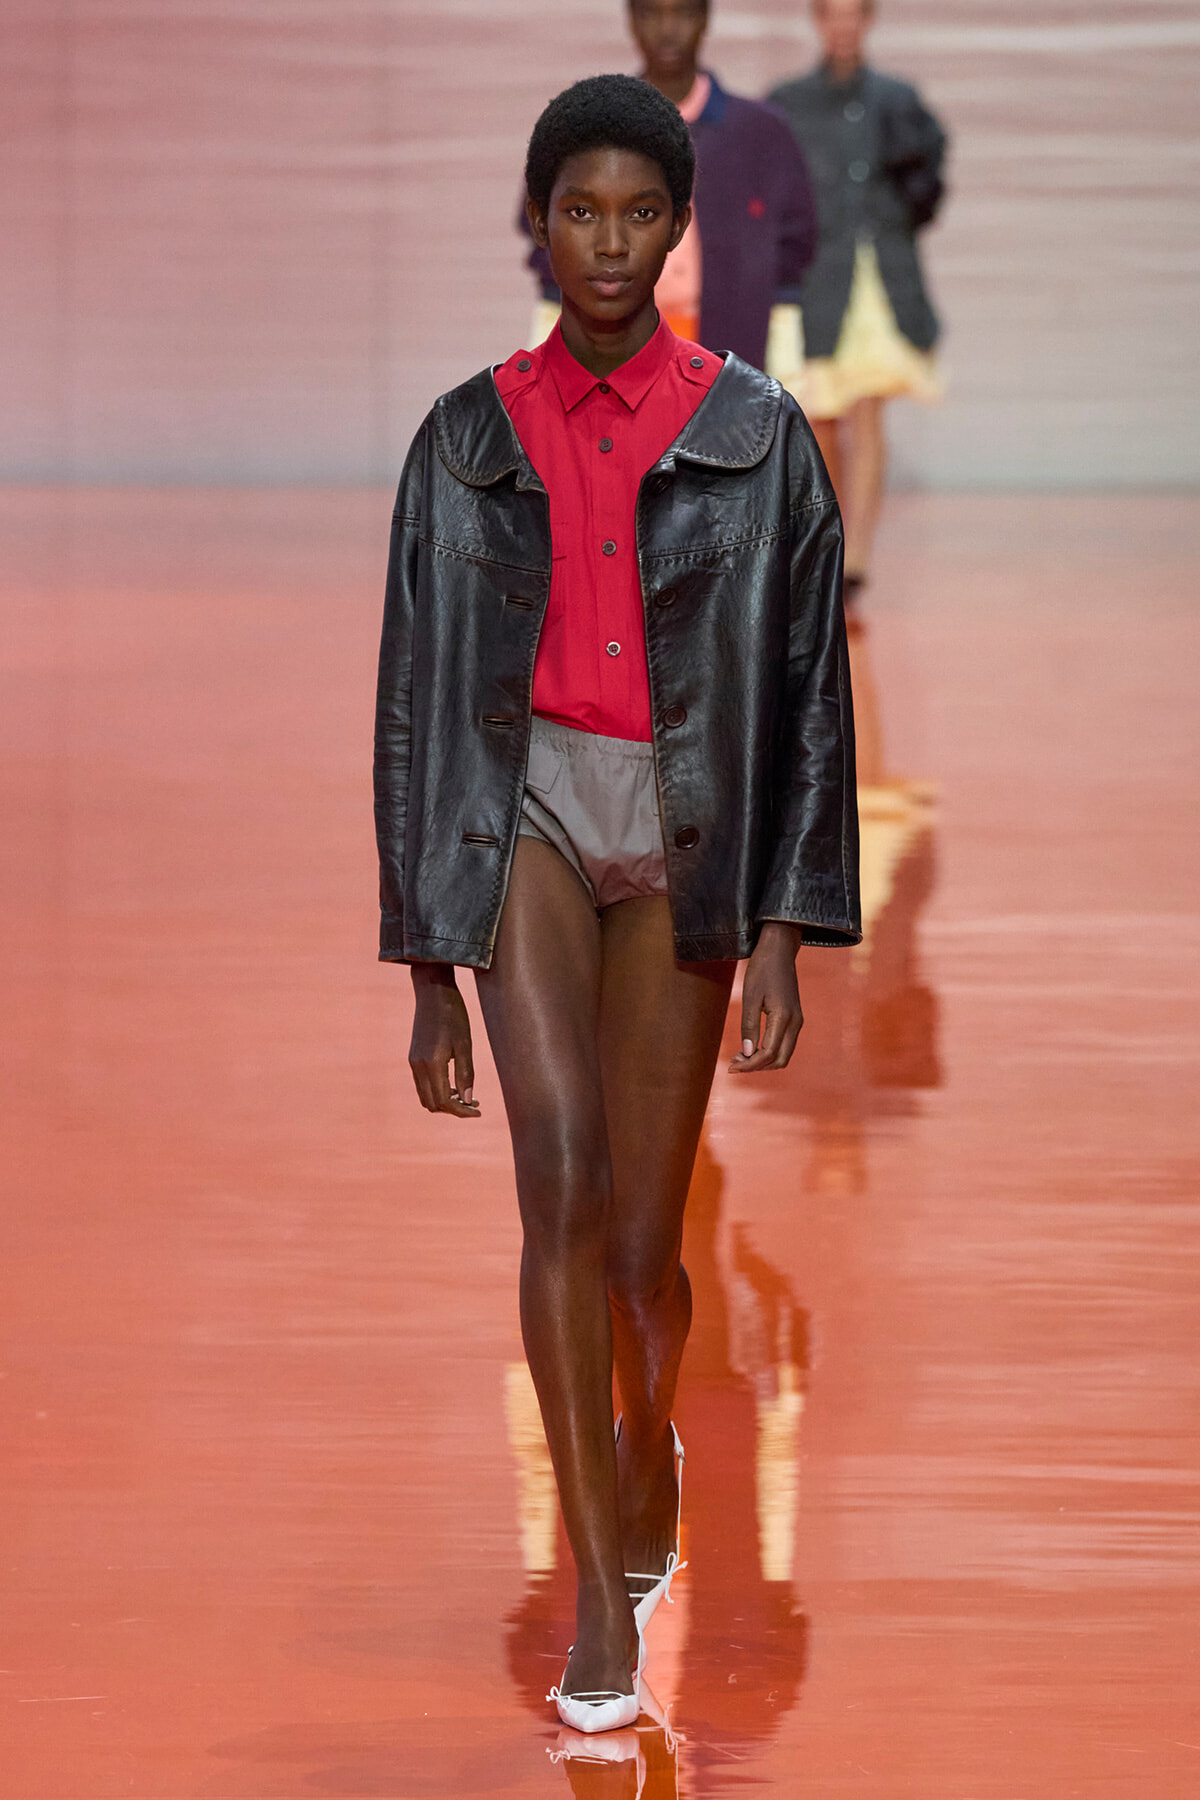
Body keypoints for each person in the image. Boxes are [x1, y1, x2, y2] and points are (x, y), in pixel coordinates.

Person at [375, 73, 859, 1735]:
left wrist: (791, 927)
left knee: (648, 1251)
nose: (604, 239)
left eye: (635, 212)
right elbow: (418, 702)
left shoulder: (753, 432)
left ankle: (647, 1432)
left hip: (693, 828)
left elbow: (806, 689)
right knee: (560, 1180)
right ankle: (598, 1595)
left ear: (676, 232)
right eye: (575, 210)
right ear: (538, 223)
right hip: (530, 817)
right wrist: (428, 958)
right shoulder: (465, 438)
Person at [522, 0, 817, 380]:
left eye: (683, 12)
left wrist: (786, 365)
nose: (667, 29)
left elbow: (795, 249)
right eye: (650, 13)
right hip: (609, 354)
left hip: (731, 358)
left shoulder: (764, 134)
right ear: (631, 20)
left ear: (705, 18)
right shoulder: (583, 127)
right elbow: (543, 233)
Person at [769, 0, 947, 596]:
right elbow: (773, 198)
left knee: (867, 412)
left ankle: (857, 559)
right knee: (820, 418)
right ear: (818, 22)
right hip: (818, 280)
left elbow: (929, 183)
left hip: (877, 281)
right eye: (831, 14)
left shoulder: (898, 99)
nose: (842, 26)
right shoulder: (788, 102)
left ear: (867, 20)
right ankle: (829, 546)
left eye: (853, 14)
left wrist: (895, 204)